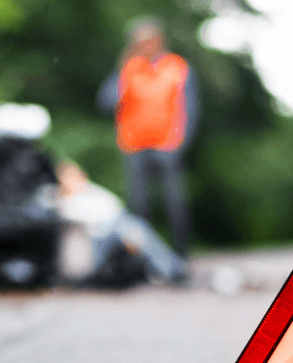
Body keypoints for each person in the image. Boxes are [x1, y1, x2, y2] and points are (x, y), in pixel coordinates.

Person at [97, 17, 200, 258]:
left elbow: (191, 108)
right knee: (139, 206)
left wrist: (180, 142)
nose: (146, 45)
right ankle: (145, 259)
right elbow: (106, 102)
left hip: (167, 145)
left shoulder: (178, 67)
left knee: (175, 203)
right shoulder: (129, 68)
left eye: (150, 40)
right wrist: (120, 70)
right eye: (139, 41)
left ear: (160, 40)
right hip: (134, 145)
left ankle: (181, 257)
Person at [56, 161, 186, 288]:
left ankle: (169, 268)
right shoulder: (65, 201)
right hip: (98, 237)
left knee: (135, 228)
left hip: (114, 226)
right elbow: (93, 218)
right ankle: (172, 269)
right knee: (134, 229)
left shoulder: (91, 190)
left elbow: (115, 206)